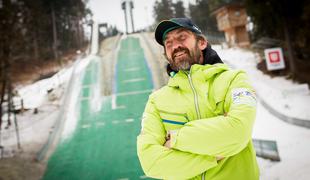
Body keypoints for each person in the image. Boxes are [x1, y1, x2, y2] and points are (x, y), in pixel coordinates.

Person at [137, 18, 259, 180]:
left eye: (182, 38)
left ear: (201, 43)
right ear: (166, 54)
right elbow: (151, 163)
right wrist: (213, 157)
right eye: (168, 43)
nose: (175, 46)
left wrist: (175, 138)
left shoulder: (234, 80)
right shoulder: (157, 101)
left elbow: (238, 131)